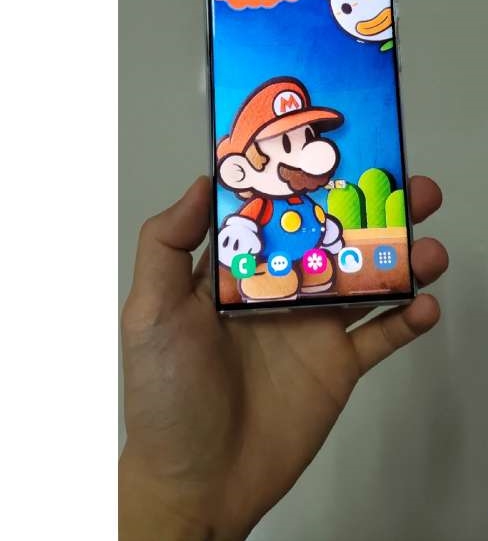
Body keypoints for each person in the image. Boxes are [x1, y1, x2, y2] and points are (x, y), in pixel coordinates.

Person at [119, 175, 449, 540]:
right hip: (274, 267)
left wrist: (170, 498)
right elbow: (242, 229)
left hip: (311, 261)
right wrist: (169, 491)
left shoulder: (308, 202)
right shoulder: (258, 205)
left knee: (335, 273)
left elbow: (321, 223)